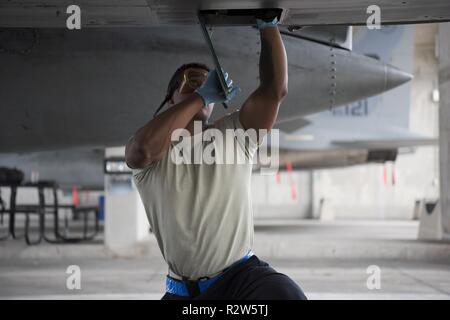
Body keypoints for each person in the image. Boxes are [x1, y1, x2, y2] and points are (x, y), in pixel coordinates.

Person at [125, 16, 307, 300]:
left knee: (284, 294)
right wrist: (200, 97)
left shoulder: (236, 133)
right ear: (170, 97)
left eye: (207, 82)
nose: (200, 84)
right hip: (183, 292)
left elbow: (274, 90)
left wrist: (268, 26)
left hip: (240, 278)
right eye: (190, 82)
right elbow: (140, 151)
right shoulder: (152, 151)